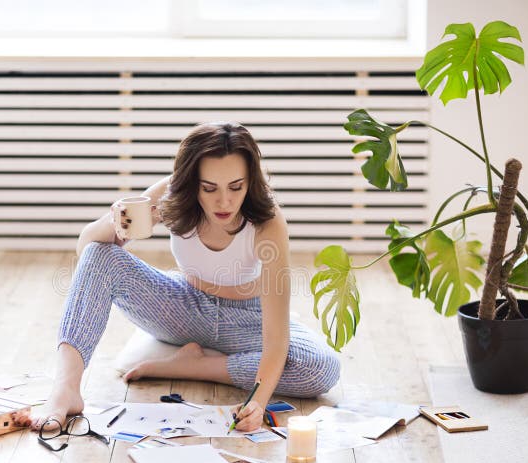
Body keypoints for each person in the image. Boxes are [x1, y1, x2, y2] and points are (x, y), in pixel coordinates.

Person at [24, 121, 340, 433]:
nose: (224, 202)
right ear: (192, 183)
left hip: (248, 319)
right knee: (100, 254)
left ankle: (195, 366)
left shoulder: (268, 221)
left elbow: (275, 340)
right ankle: (65, 389)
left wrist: (257, 401)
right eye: (209, 188)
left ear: (250, 182)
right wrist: (116, 222)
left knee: (321, 368)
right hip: (182, 307)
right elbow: (88, 249)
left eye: (236, 187)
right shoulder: (172, 194)